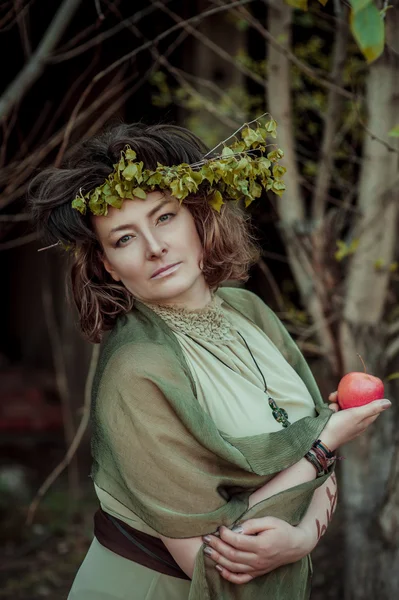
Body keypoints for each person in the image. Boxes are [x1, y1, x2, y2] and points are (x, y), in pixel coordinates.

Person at [30, 122, 391, 600]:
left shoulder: (249, 311)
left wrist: (300, 540)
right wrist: (324, 444)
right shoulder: (138, 370)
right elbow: (212, 559)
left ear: (196, 218)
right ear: (107, 267)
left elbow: (317, 456)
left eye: (163, 218)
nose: (155, 246)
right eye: (124, 239)